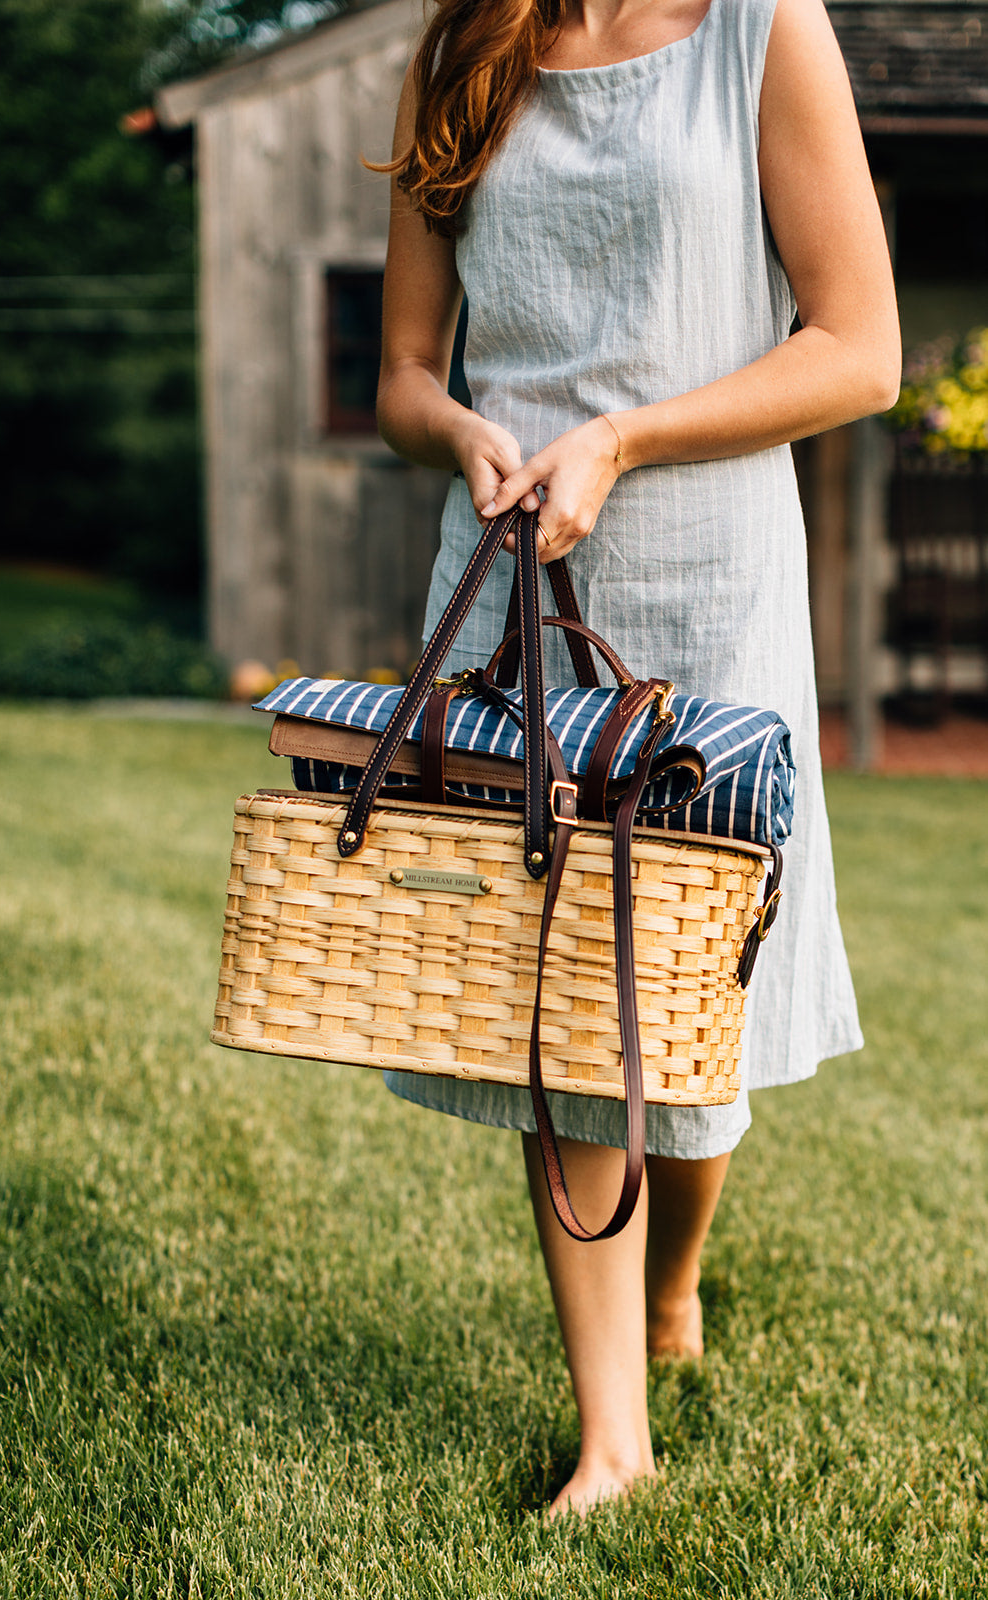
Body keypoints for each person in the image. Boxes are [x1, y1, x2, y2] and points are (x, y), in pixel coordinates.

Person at [373, 0, 900, 1518]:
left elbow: (860, 351)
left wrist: (623, 438)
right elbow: (403, 371)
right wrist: (458, 433)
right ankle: (615, 1440)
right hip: (511, 593)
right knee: (569, 1006)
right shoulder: (462, 44)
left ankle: (675, 1279)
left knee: (686, 1018)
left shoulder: (761, 27)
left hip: (710, 585)